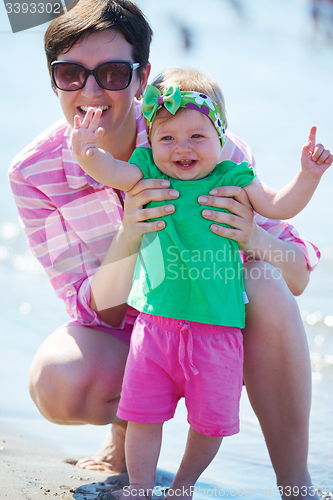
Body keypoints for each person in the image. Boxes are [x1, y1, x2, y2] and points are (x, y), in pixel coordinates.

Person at [7, 0, 323, 497]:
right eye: (70, 73)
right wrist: (130, 235)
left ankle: (295, 483)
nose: (91, 91)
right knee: (60, 381)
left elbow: (299, 279)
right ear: (55, 80)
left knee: (265, 283)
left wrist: (254, 237)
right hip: (140, 340)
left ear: (142, 76)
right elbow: (98, 314)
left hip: (216, 331)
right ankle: (125, 438)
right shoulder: (34, 173)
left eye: (112, 73)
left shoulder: (203, 147)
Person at [70, 71, 332, 498]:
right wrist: (86, 153)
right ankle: (139, 487)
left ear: (221, 137)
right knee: (142, 415)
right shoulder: (147, 172)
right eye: (168, 137)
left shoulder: (234, 179)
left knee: (210, 422)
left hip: (218, 330)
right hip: (155, 328)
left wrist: (308, 176)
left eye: (196, 136)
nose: (182, 148)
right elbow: (111, 171)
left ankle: (182, 487)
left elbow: (280, 205)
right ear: (151, 142)